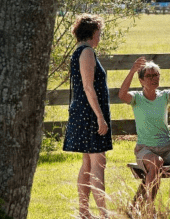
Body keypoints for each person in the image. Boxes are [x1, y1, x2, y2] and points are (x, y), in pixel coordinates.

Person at [118, 55, 170, 200]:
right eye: (149, 76)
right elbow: (122, 95)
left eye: (156, 75)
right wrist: (132, 70)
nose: (154, 78)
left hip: (167, 148)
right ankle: (149, 207)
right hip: (146, 149)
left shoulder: (164, 96)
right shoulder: (137, 98)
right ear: (141, 80)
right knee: (156, 162)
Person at [62, 14, 111, 218]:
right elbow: (88, 88)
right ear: (92, 32)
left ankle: (84, 212)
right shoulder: (87, 52)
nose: (100, 36)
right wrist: (100, 117)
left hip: (83, 113)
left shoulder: (79, 51)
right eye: (99, 32)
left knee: (88, 163)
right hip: (90, 115)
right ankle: (104, 214)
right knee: (98, 163)